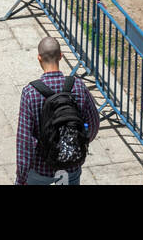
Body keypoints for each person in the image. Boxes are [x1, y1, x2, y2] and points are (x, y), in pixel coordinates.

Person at [15, 37, 100, 186]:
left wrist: (21, 177)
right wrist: (78, 143)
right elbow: (93, 124)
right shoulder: (78, 86)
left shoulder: (30, 92)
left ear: (39, 58)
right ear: (61, 56)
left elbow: (25, 141)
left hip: (41, 168)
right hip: (71, 163)